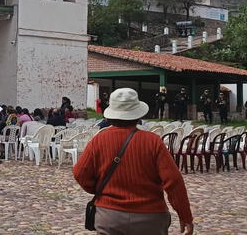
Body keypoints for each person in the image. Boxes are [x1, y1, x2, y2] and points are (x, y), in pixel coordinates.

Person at [73, 88, 193, 235]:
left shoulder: (99, 139)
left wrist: (100, 189)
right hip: (150, 217)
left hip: (110, 217)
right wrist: (184, 214)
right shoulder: (152, 141)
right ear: (137, 114)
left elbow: (80, 173)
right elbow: (174, 180)